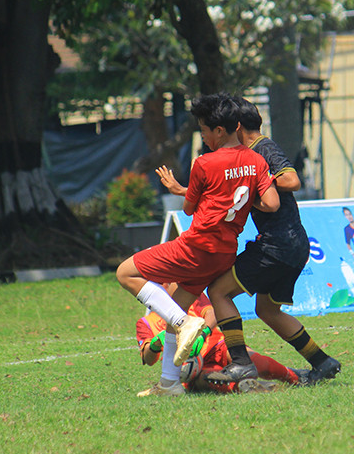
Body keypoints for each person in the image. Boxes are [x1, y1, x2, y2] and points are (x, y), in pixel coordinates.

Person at [115, 93, 279, 396]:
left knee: (126, 273)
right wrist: (235, 199)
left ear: (219, 130)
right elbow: (271, 203)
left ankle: (184, 322)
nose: (202, 136)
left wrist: (186, 190)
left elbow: (189, 210)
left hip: (196, 246)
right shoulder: (256, 161)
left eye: (203, 130)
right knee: (173, 305)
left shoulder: (204, 163)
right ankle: (169, 384)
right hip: (224, 253)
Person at [205, 97, 342, 386]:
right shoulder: (248, 155)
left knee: (218, 291)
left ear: (237, 127)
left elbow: (291, 181)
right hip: (292, 244)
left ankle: (241, 363)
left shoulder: (262, 148)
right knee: (267, 310)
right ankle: (322, 362)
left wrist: (255, 182)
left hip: (278, 245)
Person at [135, 287, 303, 394]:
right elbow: (148, 359)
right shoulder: (146, 322)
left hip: (219, 346)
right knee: (208, 379)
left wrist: (201, 335)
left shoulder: (191, 296)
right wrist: (157, 343)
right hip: (193, 367)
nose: (171, 285)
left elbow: (213, 313)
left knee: (256, 362)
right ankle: (248, 388)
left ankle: (295, 377)